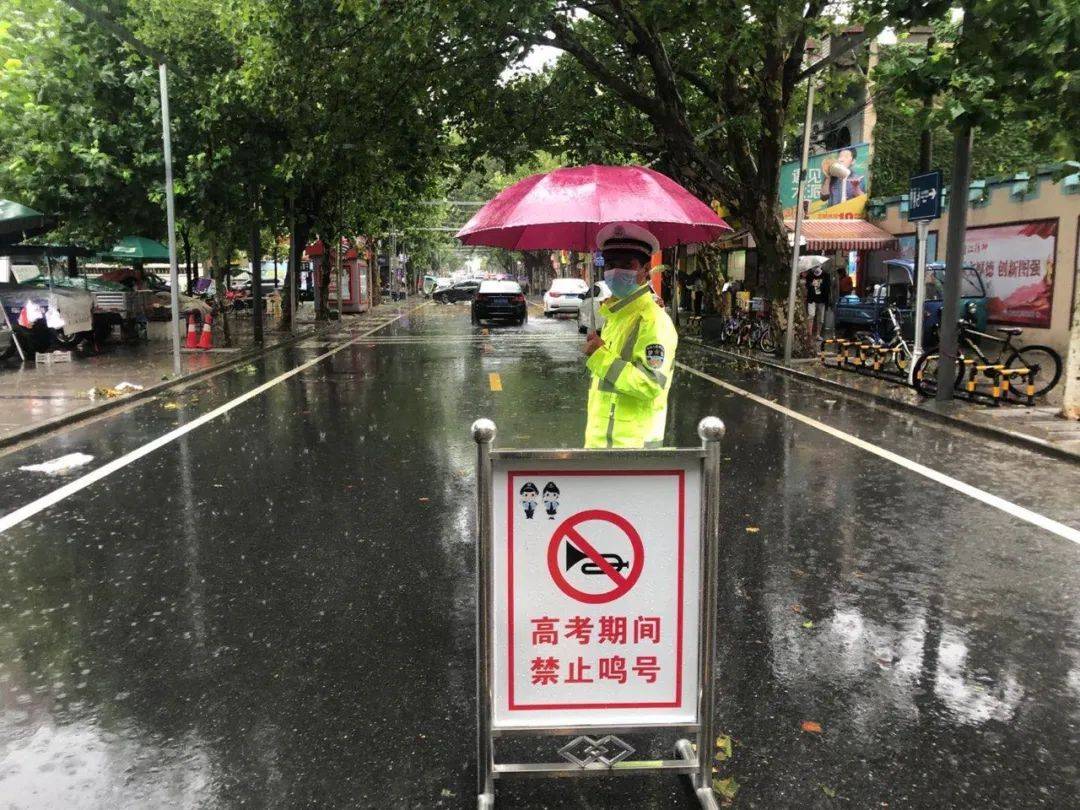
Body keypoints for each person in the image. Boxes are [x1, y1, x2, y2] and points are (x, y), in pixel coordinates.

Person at [582, 223, 677, 449]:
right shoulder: (615, 317)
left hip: (634, 452)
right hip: (602, 446)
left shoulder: (653, 320)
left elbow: (650, 383)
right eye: (611, 264)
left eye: (627, 265)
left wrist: (600, 356)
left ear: (645, 270)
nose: (616, 272)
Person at [805, 263, 830, 340]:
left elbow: (828, 288)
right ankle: (809, 334)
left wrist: (827, 301)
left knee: (821, 319)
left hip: (821, 299)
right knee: (811, 315)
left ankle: (818, 334)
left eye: (818, 266)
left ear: (821, 266)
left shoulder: (826, 275)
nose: (816, 268)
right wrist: (811, 284)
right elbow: (807, 285)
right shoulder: (810, 275)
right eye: (814, 266)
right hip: (812, 299)